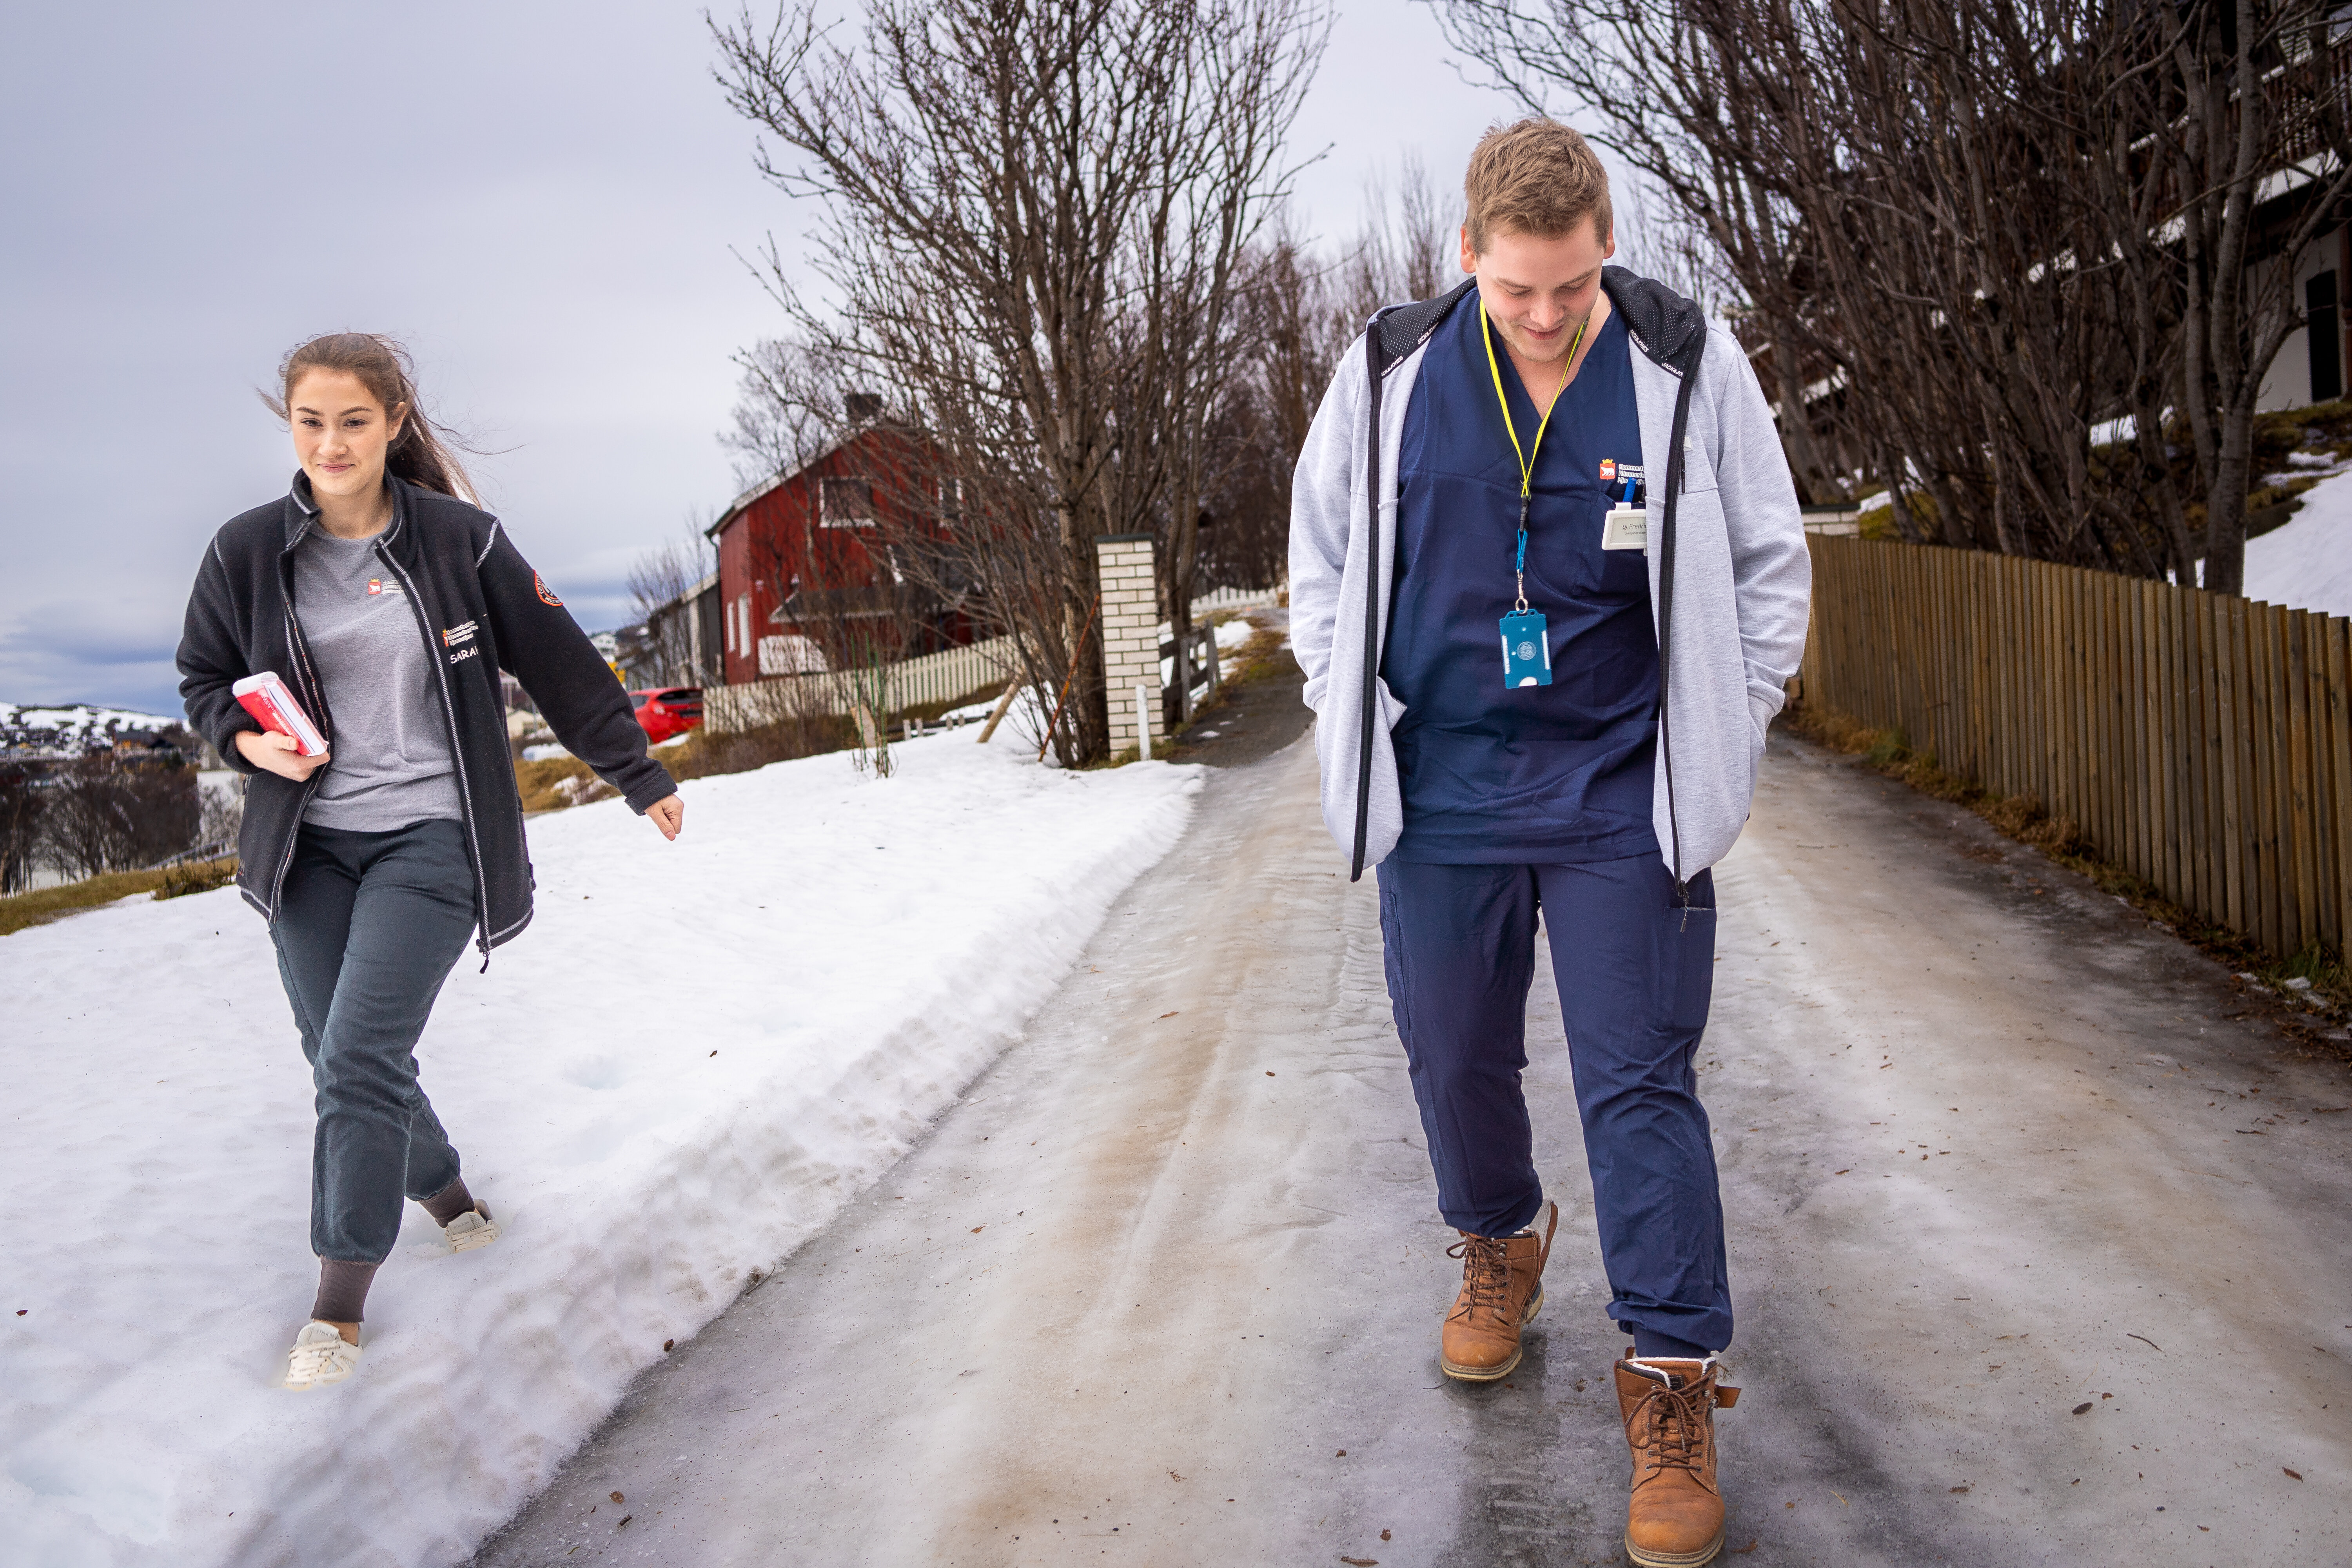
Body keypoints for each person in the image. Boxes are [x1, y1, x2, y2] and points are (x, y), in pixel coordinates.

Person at [1289, 120, 1809, 1568]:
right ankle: (1501, 1239)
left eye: (1571, 285)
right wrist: (1345, 700)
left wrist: (1733, 722)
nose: (1546, 314)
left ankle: (1671, 1378)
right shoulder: (1390, 369)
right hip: (1444, 778)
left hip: (1615, 784)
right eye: (1520, 288)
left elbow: (1770, 560)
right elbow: (1322, 561)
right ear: (1468, 256)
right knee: (1451, 1048)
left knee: (1638, 1076)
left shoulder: (1681, 357)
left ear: (1607, 249)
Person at [177, 334, 687, 1392]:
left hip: (434, 841)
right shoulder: (244, 552)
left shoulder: (463, 544)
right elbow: (203, 678)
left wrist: (637, 774)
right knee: (339, 1055)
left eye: (354, 421)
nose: (331, 442)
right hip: (308, 848)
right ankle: (450, 1195)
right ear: (291, 427)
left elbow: (563, 664)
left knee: (359, 1055)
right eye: (311, 422)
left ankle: (339, 1303)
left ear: (396, 422)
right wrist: (241, 737)